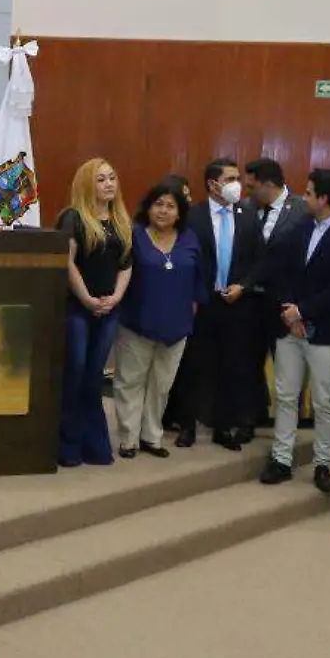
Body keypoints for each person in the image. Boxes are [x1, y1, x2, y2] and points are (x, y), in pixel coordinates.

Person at [256, 168, 330, 492]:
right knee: (286, 395)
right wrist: (290, 311)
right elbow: (282, 272)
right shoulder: (299, 227)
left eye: (308, 192)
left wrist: (303, 312)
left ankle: (323, 464)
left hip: (324, 331)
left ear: (323, 198)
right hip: (289, 326)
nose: (302, 197)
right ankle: (281, 459)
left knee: (323, 401)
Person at [167, 158, 261, 450]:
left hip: (235, 303)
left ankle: (223, 426)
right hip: (200, 302)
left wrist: (243, 286)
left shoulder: (248, 214)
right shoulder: (192, 217)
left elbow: (259, 258)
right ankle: (187, 425)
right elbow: (184, 258)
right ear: (213, 184)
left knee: (230, 366)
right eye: (231, 178)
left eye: (238, 178)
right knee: (193, 366)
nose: (238, 184)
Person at [112, 179, 204, 459]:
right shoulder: (134, 235)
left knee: (161, 385)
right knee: (130, 381)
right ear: (148, 208)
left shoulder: (190, 238)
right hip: (137, 323)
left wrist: (191, 313)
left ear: (180, 212)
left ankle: (151, 437)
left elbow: (198, 281)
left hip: (176, 327)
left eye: (170, 206)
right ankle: (128, 438)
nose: (163, 211)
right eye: (158, 204)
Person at [56, 158, 133, 467]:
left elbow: (126, 264)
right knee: (74, 371)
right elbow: (67, 262)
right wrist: (88, 299)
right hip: (78, 307)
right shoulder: (73, 217)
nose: (109, 184)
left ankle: (95, 442)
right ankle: (67, 441)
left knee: (93, 376)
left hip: (109, 309)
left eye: (112, 178)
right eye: (101, 179)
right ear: (88, 184)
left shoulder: (120, 220)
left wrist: (114, 298)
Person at [240, 157, 310, 431]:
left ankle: (287, 423)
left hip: (283, 302)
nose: (246, 192)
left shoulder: (302, 210)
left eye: (251, 186)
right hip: (250, 299)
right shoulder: (245, 209)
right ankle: (249, 417)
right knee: (247, 362)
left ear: (269, 185)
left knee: (286, 367)